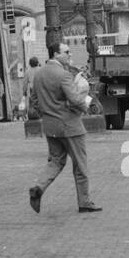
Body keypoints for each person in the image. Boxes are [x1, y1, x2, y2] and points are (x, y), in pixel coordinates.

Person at [28, 44, 101, 215]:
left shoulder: (39, 74)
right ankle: (84, 202)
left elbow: (34, 100)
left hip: (50, 126)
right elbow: (75, 99)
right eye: (66, 52)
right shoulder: (63, 75)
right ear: (55, 54)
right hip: (70, 126)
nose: (69, 54)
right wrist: (87, 106)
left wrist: (48, 113)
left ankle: (39, 187)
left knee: (55, 161)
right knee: (80, 165)